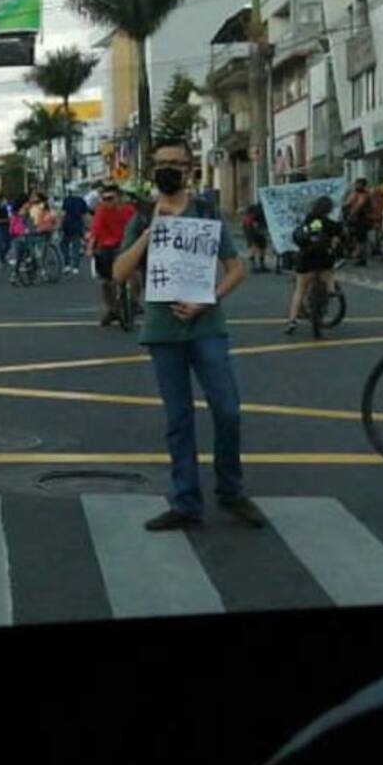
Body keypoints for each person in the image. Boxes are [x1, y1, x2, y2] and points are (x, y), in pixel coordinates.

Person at [112, 139, 265, 532]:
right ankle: (186, 501)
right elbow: (119, 271)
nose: (169, 169)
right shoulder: (143, 215)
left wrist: (208, 299)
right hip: (163, 331)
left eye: (177, 164)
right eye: (162, 163)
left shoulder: (206, 213)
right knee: (178, 419)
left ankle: (231, 491)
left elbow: (235, 269)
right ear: (152, 170)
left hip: (206, 326)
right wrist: (150, 233)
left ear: (189, 169)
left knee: (227, 410)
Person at [285, 196, 343, 337]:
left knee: (300, 290)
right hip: (323, 259)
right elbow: (338, 237)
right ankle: (330, 289)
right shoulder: (330, 223)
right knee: (329, 270)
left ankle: (292, 321)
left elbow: (300, 236)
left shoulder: (307, 221)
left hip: (305, 259)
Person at [86, 183, 135, 325]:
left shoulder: (130, 211)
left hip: (127, 245)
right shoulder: (101, 211)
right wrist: (90, 247)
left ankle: (134, 302)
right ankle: (111, 309)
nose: (106, 202)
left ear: (119, 198)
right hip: (107, 247)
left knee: (135, 273)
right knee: (106, 281)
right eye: (104, 199)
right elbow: (95, 232)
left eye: (110, 198)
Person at [342, 178, 374, 266]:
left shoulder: (364, 194)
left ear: (363, 185)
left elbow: (358, 206)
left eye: (358, 184)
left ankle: (361, 258)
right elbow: (348, 202)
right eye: (356, 184)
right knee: (355, 236)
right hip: (357, 219)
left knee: (361, 239)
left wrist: (350, 215)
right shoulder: (355, 193)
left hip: (362, 219)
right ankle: (356, 254)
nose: (356, 186)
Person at [60, 186, 89, 275]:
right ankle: (76, 267)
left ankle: (67, 264)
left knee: (64, 244)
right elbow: (84, 215)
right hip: (77, 225)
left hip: (67, 225)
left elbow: (63, 214)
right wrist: (86, 226)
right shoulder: (82, 201)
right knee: (76, 246)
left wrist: (60, 225)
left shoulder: (66, 200)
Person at [241, 200, 269, 273]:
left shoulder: (263, 207)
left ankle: (259, 265)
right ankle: (254, 265)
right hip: (250, 227)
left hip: (255, 227)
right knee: (253, 245)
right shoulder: (258, 208)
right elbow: (249, 220)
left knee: (262, 245)